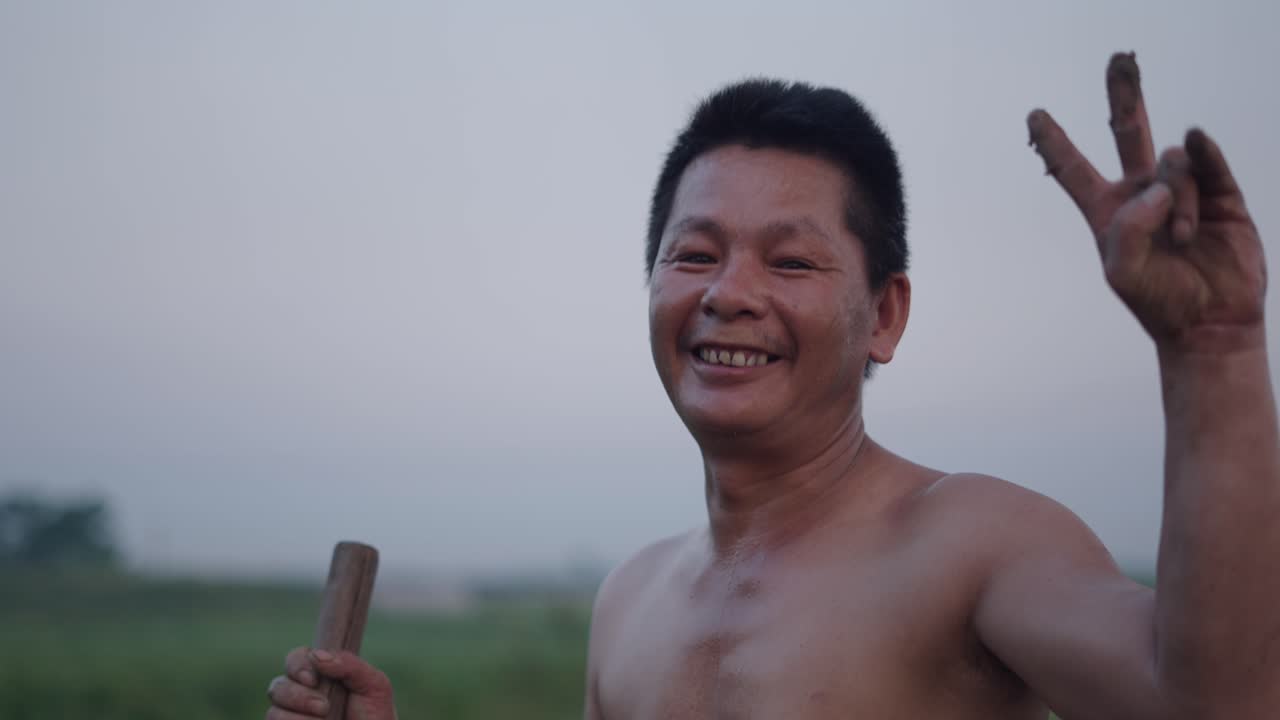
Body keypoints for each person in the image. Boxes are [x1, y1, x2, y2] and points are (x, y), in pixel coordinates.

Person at [265, 52, 1277, 719]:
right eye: (694, 254)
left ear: (884, 314)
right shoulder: (631, 598)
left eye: (790, 262)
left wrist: (1213, 351)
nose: (729, 294)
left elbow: (1212, 707)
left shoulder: (972, 546)